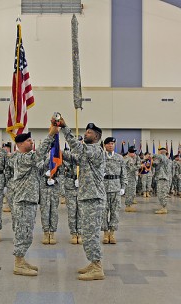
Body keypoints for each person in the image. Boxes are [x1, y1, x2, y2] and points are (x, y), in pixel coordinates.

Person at [58, 116, 106, 281]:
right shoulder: (87, 151)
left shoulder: (96, 150)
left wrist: (65, 128)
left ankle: (97, 267)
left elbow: (79, 150)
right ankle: (93, 263)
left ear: (97, 137)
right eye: (86, 131)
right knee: (87, 233)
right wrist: (58, 152)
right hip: (86, 197)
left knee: (91, 234)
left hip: (93, 198)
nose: (86, 133)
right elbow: (74, 158)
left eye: (90, 132)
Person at [12, 129, 55, 276]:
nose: (32, 142)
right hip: (23, 200)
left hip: (29, 200)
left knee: (27, 233)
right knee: (23, 233)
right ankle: (18, 264)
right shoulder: (22, 157)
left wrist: (52, 157)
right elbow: (37, 156)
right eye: (29, 141)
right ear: (20, 144)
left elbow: (40, 168)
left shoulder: (30, 159)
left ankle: (21, 260)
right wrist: (51, 135)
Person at [102, 137, 127, 245]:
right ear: (105, 145)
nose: (111, 145)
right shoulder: (100, 156)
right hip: (103, 188)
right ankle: (105, 233)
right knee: (103, 212)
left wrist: (123, 187)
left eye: (112, 143)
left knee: (115, 212)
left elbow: (124, 173)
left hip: (116, 188)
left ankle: (112, 233)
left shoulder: (119, 158)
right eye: (108, 144)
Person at [62, 146, 81, 244]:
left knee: (81, 212)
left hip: (82, 187)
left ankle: (80, 233)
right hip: (70, 186)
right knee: (72, 211)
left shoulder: (83, 157)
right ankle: (73, 233)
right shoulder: (68, 157)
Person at [152, 147, 171, 214]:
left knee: (161, 193)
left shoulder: (160, 156)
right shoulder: (167, 159)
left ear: (160, 152)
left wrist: (151, 159)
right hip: (166, 178)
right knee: (163, 193)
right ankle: (163, 207)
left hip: (161, 177)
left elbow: (154, 164)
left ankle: (163, 208)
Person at [124, 146, 139, 212]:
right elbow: (132, 168)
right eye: (133, 152)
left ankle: (129, 205)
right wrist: (140, 166)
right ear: (130, 152)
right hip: (129, 178)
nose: (134, 154)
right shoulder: (129, 159)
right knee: (129, 192)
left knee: (131, 192)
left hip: (131, 178)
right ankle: (128, 206)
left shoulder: (128, 158)